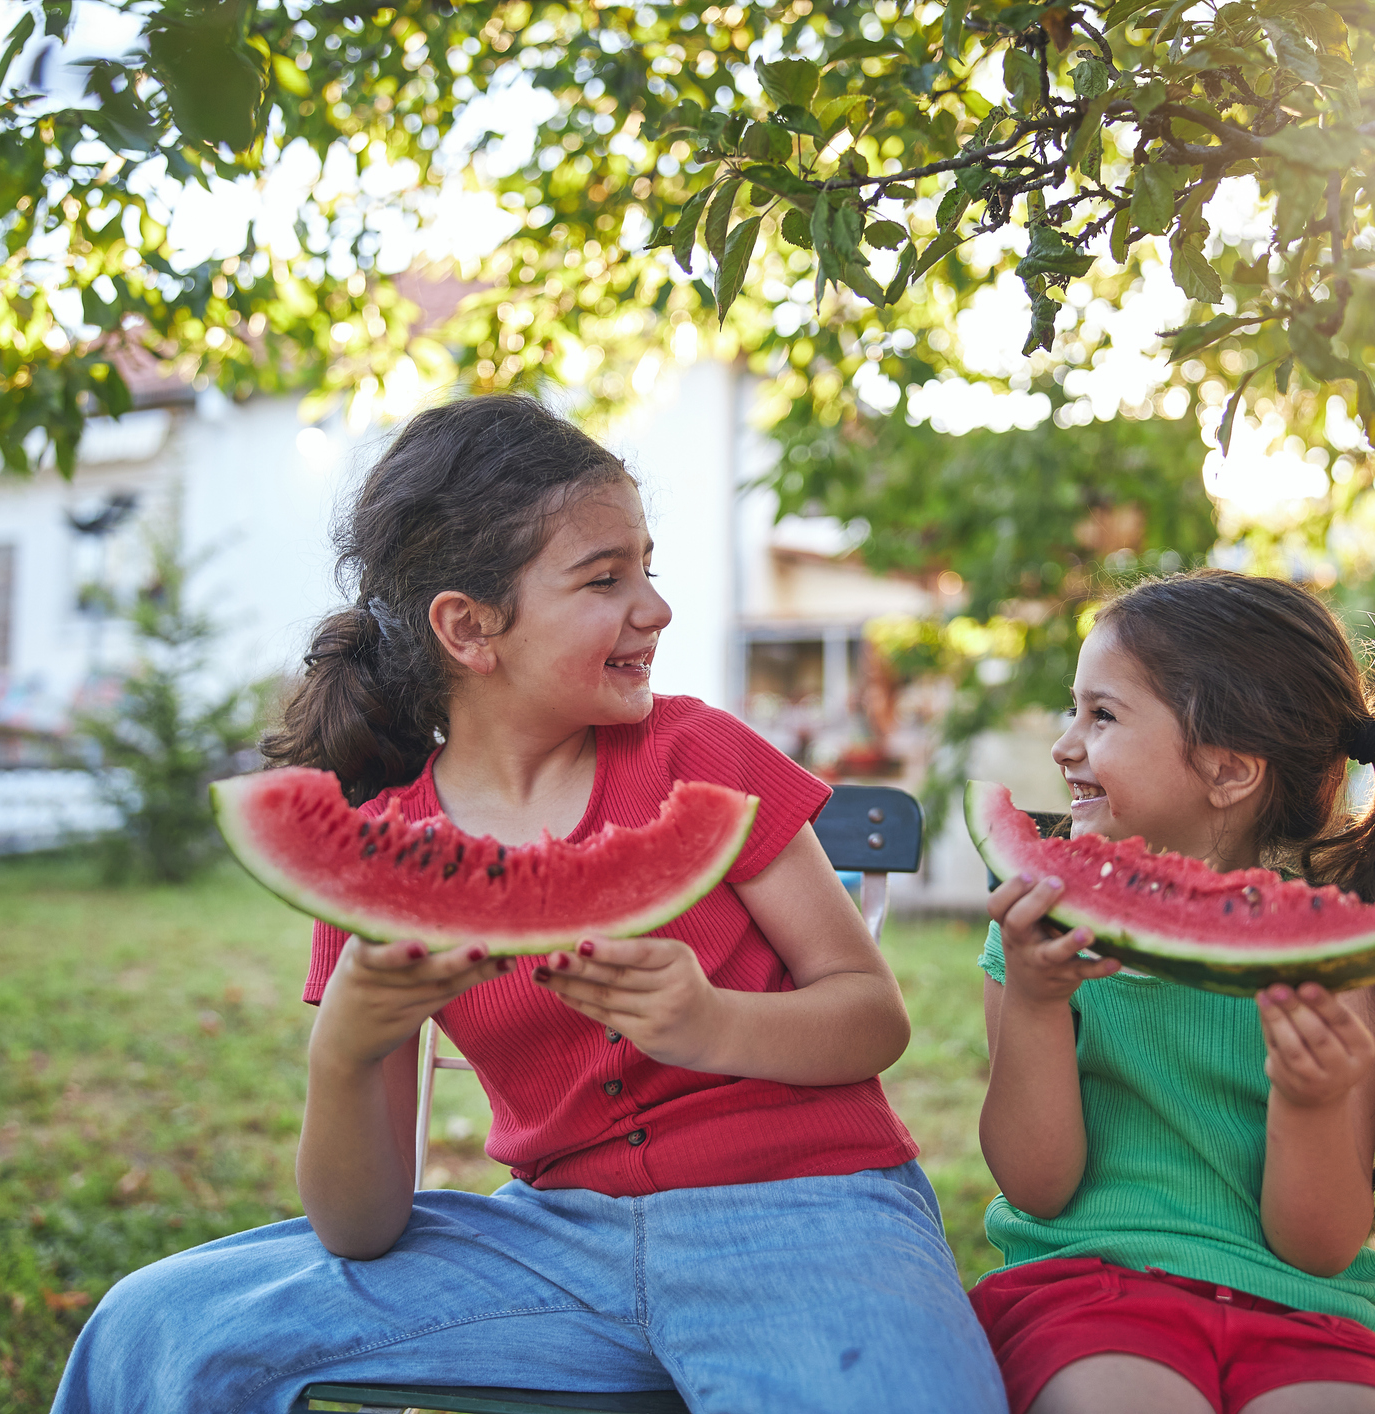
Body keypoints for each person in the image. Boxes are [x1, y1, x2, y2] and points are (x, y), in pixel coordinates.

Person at [51, 395, 1004, 1414]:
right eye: (605, 579)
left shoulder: (703, 758)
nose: (654, 607)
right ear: (469, 628)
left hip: (808, 1212)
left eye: (649, 566)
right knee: (154, 1327)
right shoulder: (386, 854)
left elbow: (872, 1018)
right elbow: (361, 1229)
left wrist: (712, 1020)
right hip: (553, 1243)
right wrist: (348, 1051)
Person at [970, 569, 1375, 1414]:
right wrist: (1034, 1002)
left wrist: (1312, 1097)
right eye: (1072, 708)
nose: (1065, 744)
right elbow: (1035, 1184)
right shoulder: (1035, 929)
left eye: (1102, 715)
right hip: (1090, 1293)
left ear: (1228, 770)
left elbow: (1315, 1245)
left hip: (1308, 1318)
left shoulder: (1332, 962)